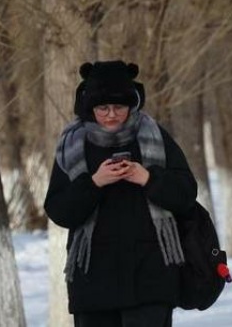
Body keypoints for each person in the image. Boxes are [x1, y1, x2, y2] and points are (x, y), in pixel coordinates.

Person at [44, 60, 197, 327]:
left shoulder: (156, 137)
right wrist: (94, 183)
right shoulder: (72, 145)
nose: (111, 114)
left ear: (133, 104)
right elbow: (59, 211)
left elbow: (185, 195)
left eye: (119, 107)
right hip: (94, 284)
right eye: (103, 107)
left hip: (151, 278)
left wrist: (148, 178)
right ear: (89, 107)